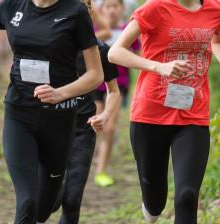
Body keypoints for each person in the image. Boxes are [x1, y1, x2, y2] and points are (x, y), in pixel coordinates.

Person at [0, 0, 104, 223]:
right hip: (20, 113)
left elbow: (95, 75)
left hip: (60, 118)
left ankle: (56, 187)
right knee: (27, 201)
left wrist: (60, 93)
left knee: (42, 210)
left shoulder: (75, 10)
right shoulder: (11, 6)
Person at [108, 0, 220, 223]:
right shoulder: (154, 7)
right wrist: (158, 67)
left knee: (187, 196)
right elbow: (115, 53)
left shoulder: (215, 9)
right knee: (155, 204)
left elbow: (217, 39)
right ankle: (150, 206)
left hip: (193, 115)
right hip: (150, 115)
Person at [54, 0, 120, 223]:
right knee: (47, 202)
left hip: (83, 129)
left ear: (91, 12)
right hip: (49, 129)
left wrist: (104, 115)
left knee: (72, 203)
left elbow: (114, 92)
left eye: (83, 6)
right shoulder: (50, 45)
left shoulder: (101, 50)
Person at [94, 0, 140, 187]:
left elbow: (138, 55)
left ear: (122, 8)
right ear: (101, 9)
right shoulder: (95, 29)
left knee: (110, 128)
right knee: (93, 124)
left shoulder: (128, 30)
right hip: (95, 83)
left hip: (119, 83)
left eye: (115, 6)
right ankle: (77, 163)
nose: (112, 10)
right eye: (108, 6)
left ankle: (101, 171)